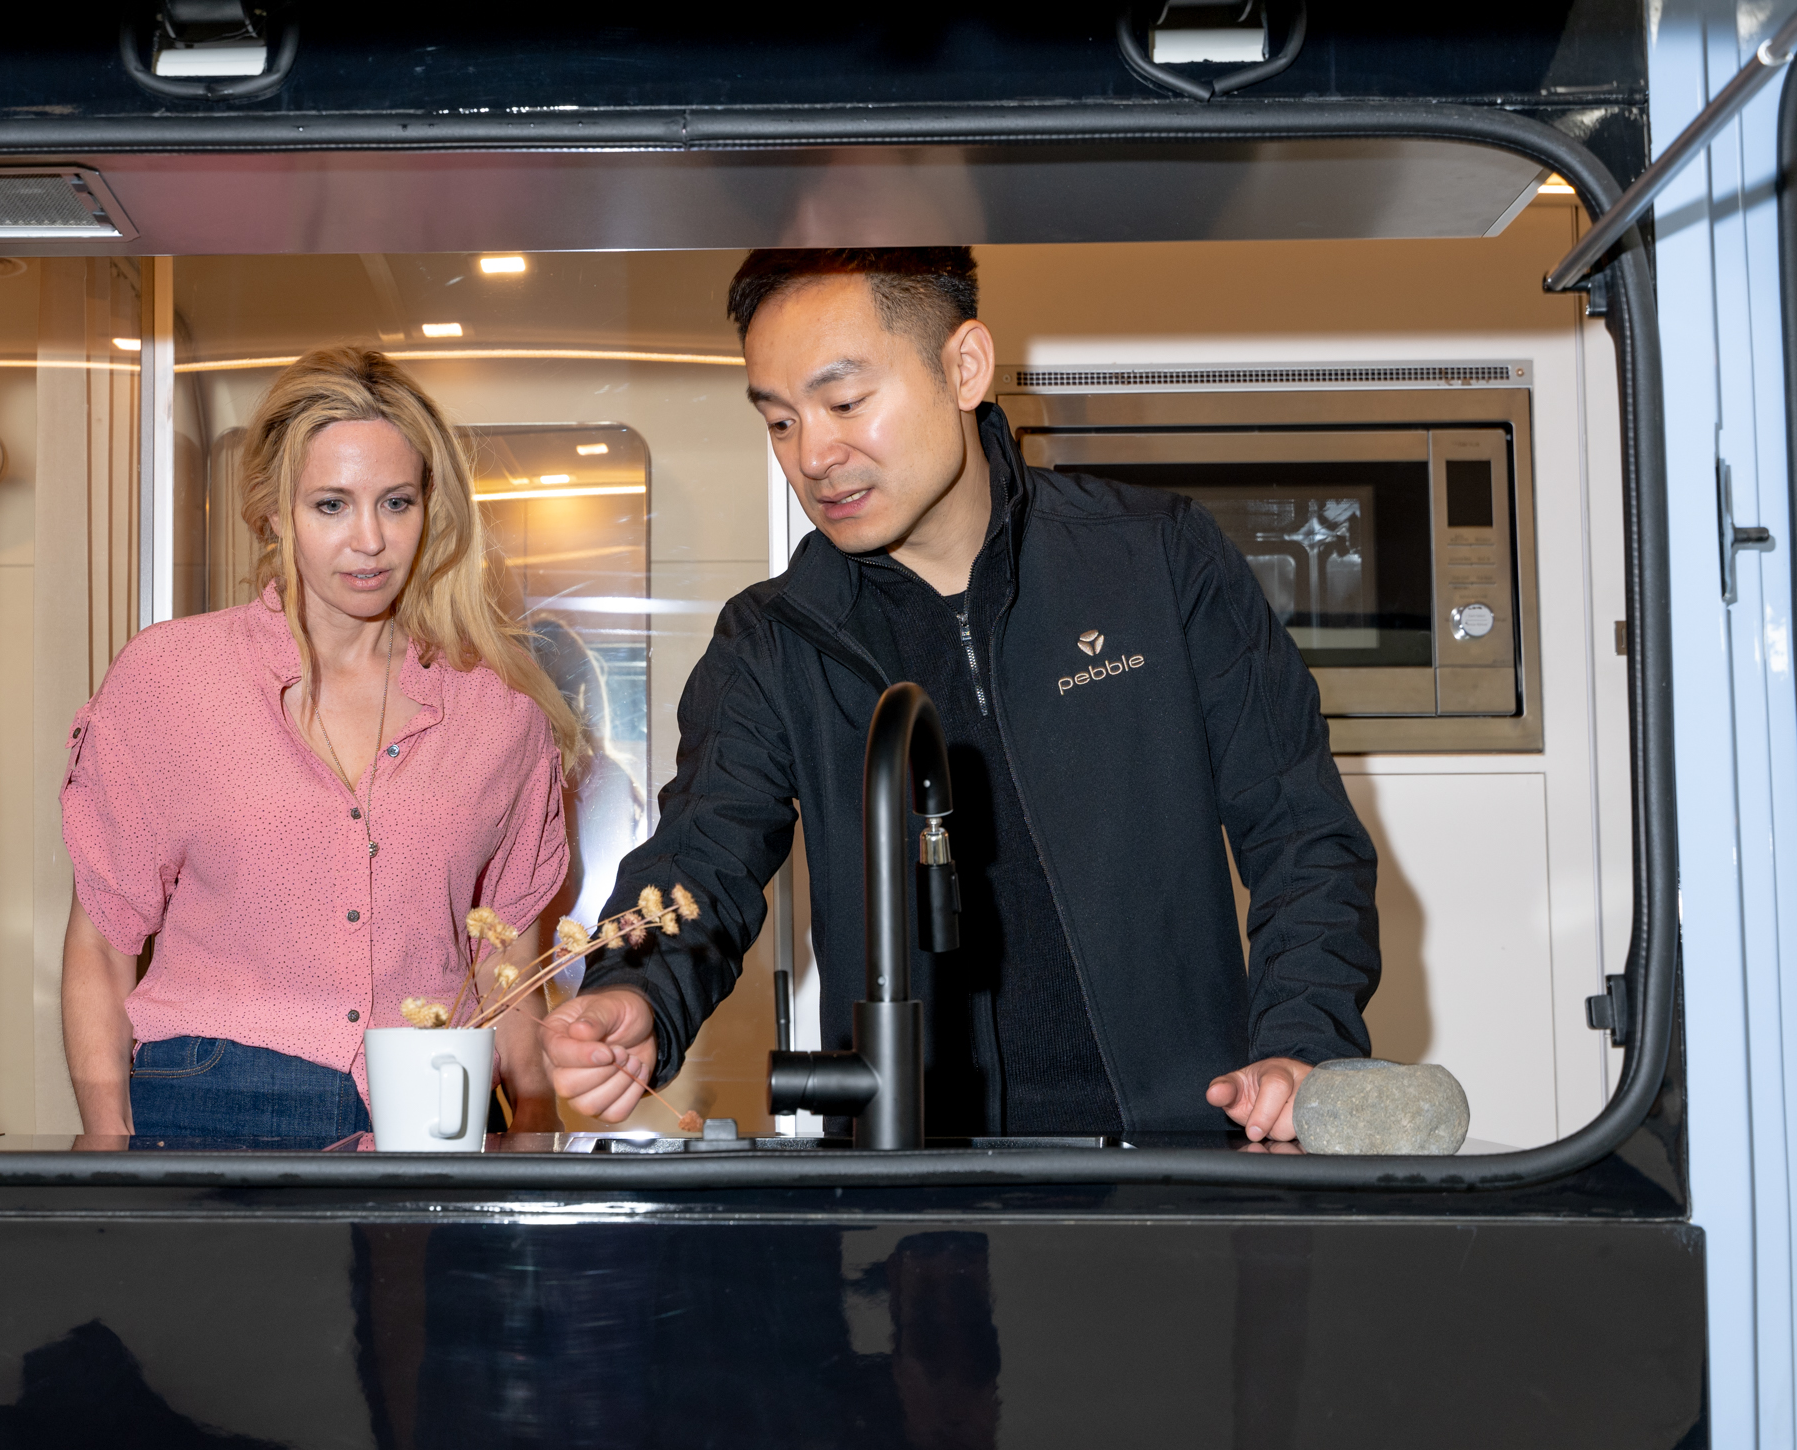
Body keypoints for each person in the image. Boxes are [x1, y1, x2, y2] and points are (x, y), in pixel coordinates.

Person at [544, 248, 1379, 1143]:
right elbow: (702, 856)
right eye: (780, 421)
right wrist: (636, 990)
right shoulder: (775, 640)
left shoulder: (1155, 558)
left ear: (964, 366)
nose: (815, 454)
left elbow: (1302, 833)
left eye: (846, 401)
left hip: (1180, 1155)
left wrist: (1301, 1043)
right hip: (918, 1191)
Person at [61, 348, 580, 1143]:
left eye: (396, 502)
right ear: (274, 511)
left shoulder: (500, 712)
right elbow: (100, 939)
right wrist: (106, 1143)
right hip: (211, 1098)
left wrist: (537, 1116)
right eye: (332, 505)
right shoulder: (170, 678)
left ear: (430, 507)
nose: (369, 540)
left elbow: (504, 961)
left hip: (431, 1111)